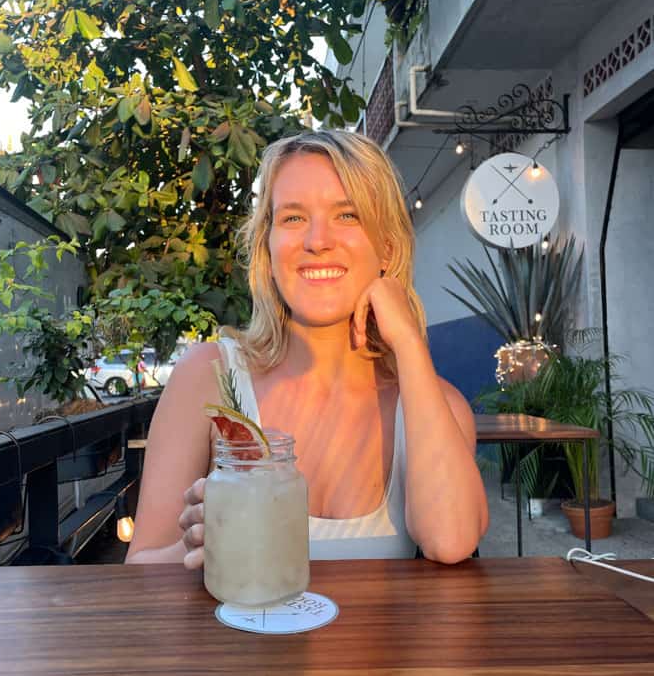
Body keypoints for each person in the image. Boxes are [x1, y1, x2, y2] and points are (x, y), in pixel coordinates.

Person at [126, 129, 489, 566]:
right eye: (294, 218)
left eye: (348, 215)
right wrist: (199, 548)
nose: (317, 241)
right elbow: (141, 566)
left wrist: (409, 342)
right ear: (269, 246)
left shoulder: (436, 405)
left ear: (387, 248)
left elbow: (450, 543)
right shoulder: (209, 376)